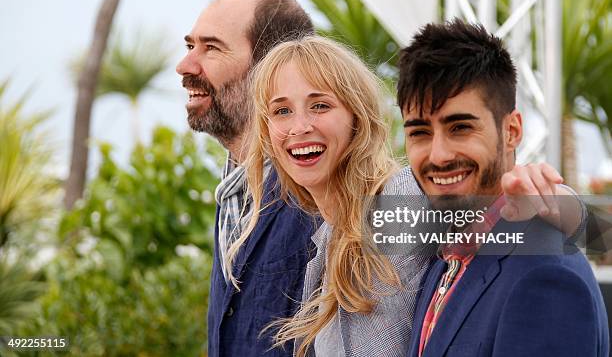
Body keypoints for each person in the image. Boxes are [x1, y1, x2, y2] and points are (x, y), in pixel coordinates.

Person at [241, 35, 590, 356]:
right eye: (281, 111)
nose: (299, 126)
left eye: (319, 106)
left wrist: (557, 198)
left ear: (356, 117)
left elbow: (530, 214)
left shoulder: (397, 200)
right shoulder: (326, 238)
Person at [398, 20, 609, 357]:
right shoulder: (443, 259)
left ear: (511, 131)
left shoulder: (547, 276)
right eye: (420, 132)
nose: (438, 155)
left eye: (460, 127)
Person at [176, 0, 316, 357]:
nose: (186, 65)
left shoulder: (323, 191)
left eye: (211, 48)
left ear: (270, 66)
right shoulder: (231, 195)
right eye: (190, 45)